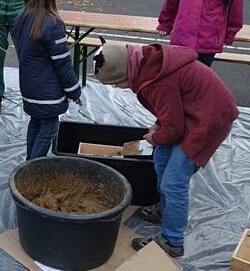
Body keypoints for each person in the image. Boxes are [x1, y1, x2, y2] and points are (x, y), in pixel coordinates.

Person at [94, 43, 239, 258]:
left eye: (116, 83)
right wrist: (159, 124)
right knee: (161, 157)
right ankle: (165, 208)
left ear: (127, 72)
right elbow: (173, 107)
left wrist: (156, 136)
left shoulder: (155, 81)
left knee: (174, 181)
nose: (116, 88)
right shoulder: (144, 64)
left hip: (208, 121)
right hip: (194, 112)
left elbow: (174, 129)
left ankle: (172, 241)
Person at [12, 0, 81, 159]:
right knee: (50, 128)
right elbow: (63, 64)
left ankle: (29, 162)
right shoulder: (52, 23)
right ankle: (33, 168)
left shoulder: (20, 18)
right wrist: (75, 91)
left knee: (36, 122)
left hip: (28, 86)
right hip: (47, 90)